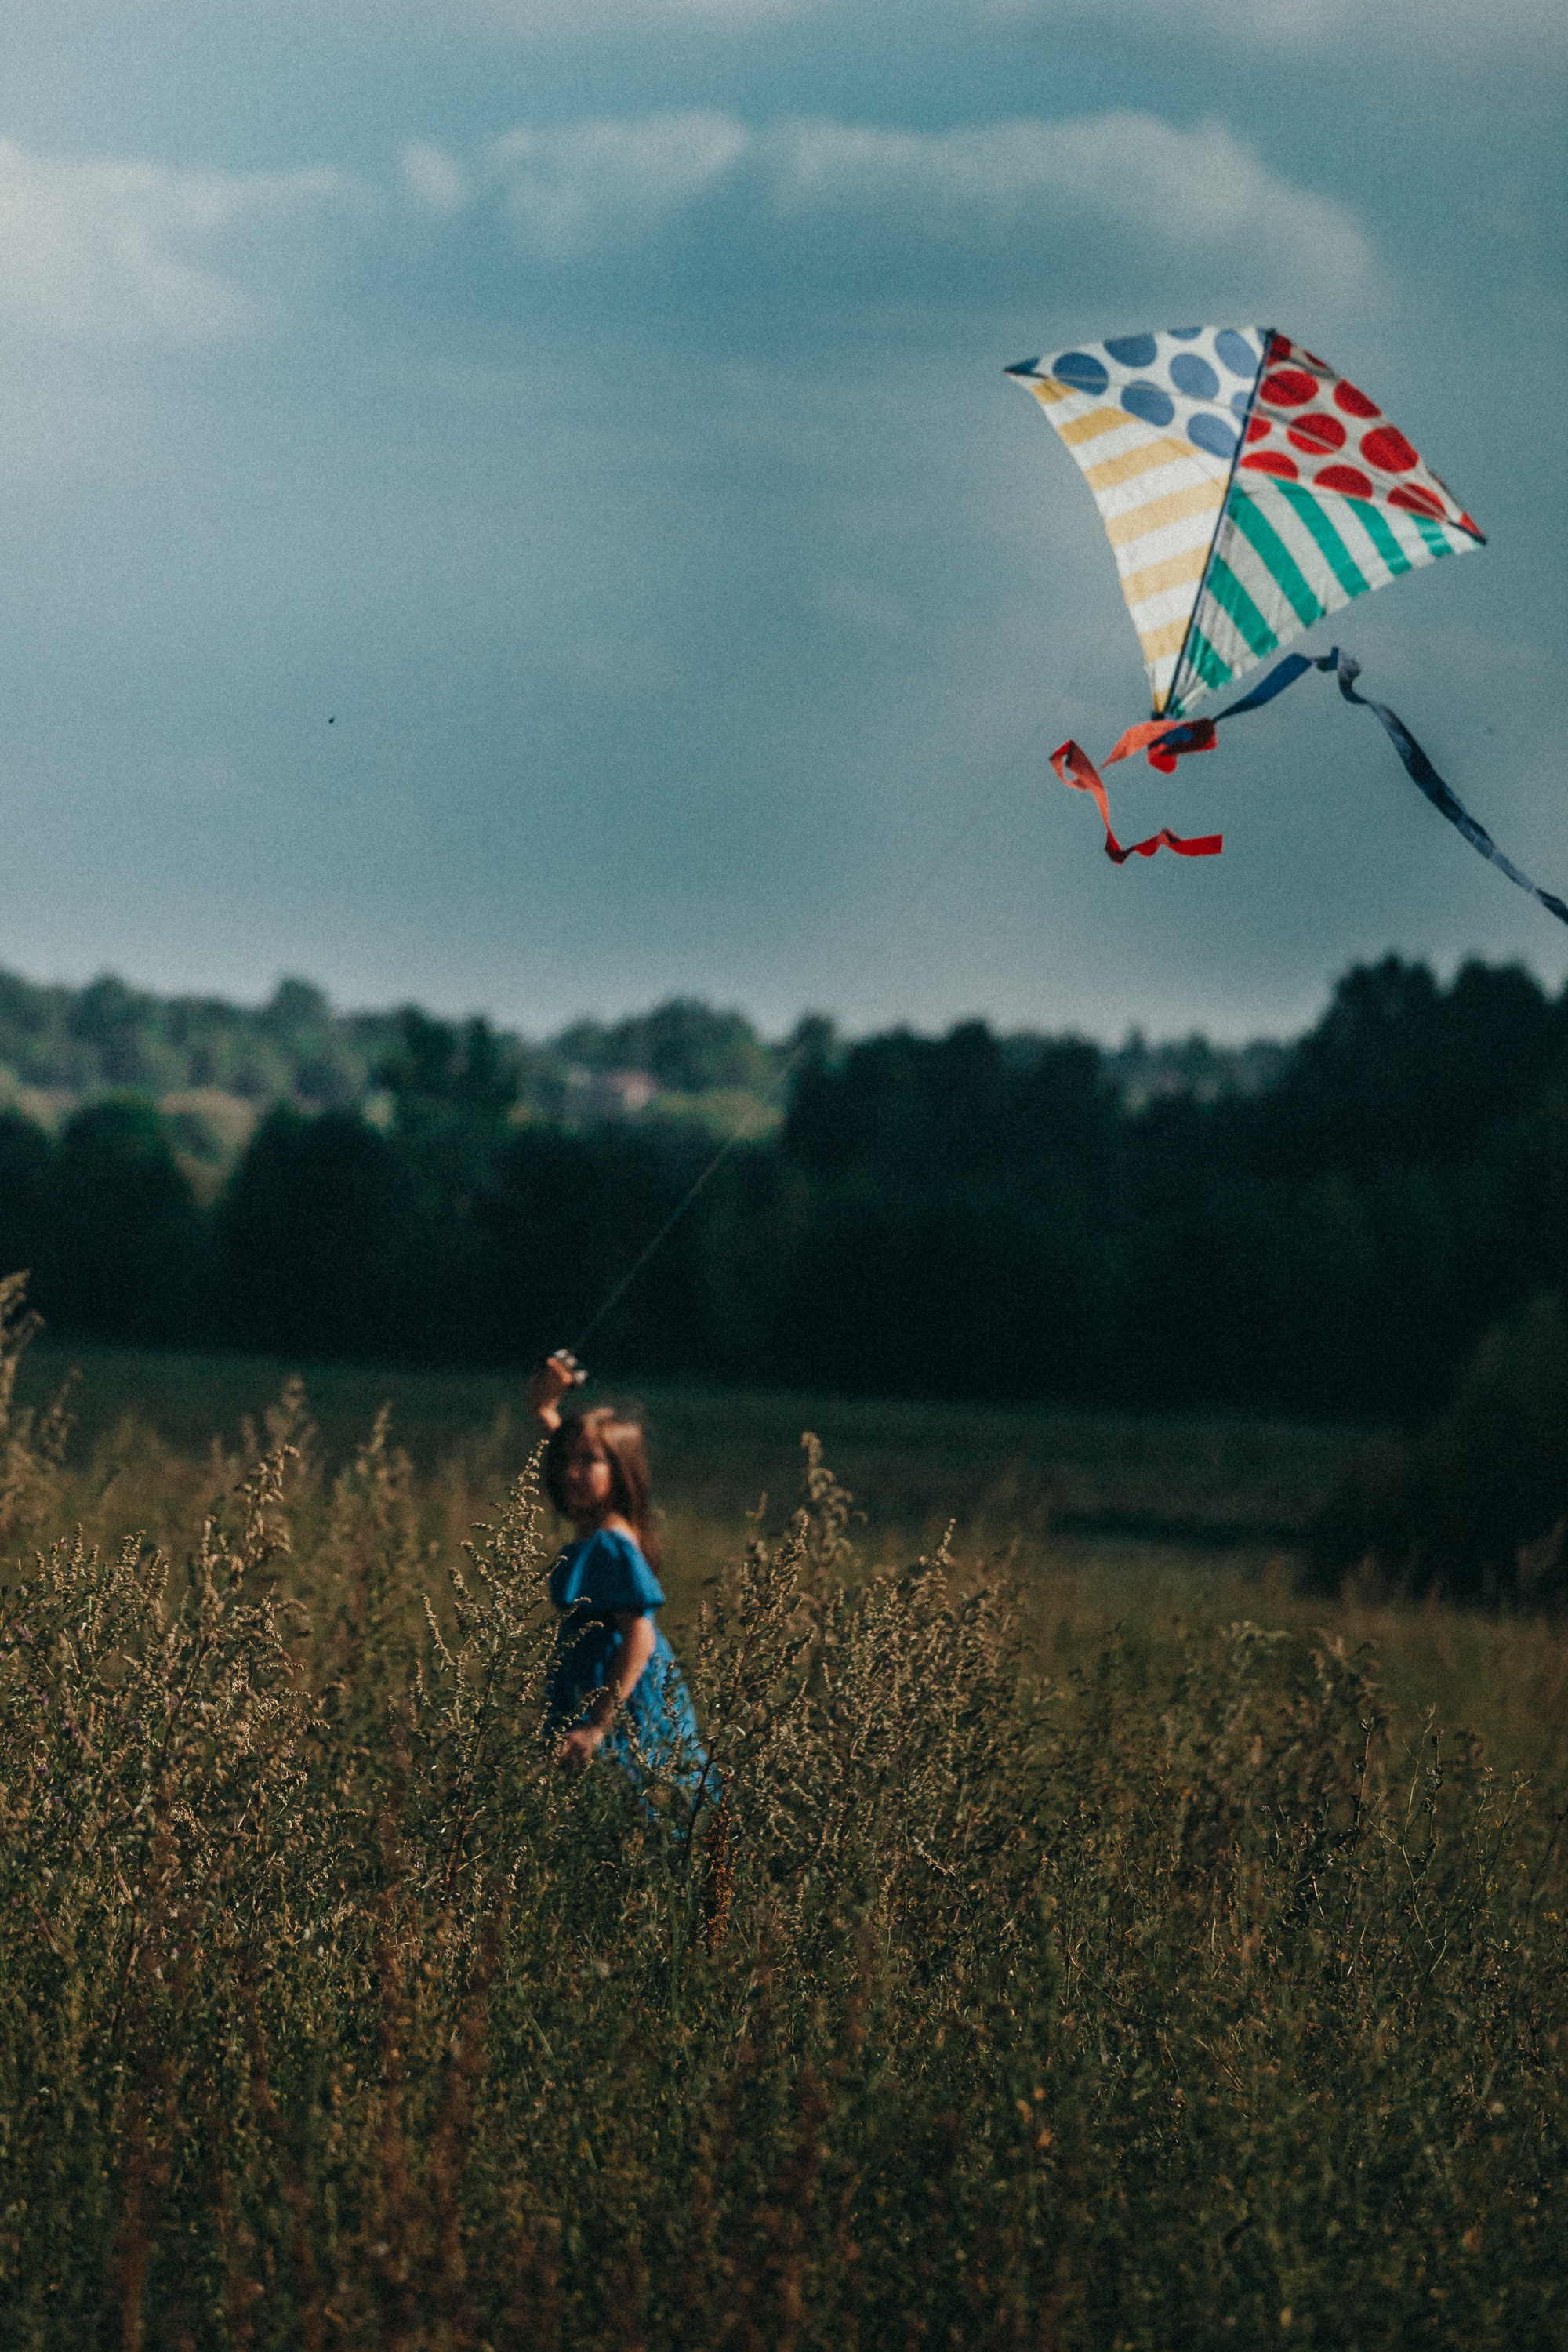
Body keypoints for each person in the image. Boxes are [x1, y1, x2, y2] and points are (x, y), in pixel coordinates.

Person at [528, 1352, 706, 1803]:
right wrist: (547, 1413)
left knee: (631, 1806)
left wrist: (595, 1726)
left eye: (588, 1461)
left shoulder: (611, 1545)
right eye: (565, 1458)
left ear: (620, 1472)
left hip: (625, 1704)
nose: (570, 1471)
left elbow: (639, 1638)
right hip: (602, 1691)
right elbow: (575, 1459)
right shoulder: (607, 1524)